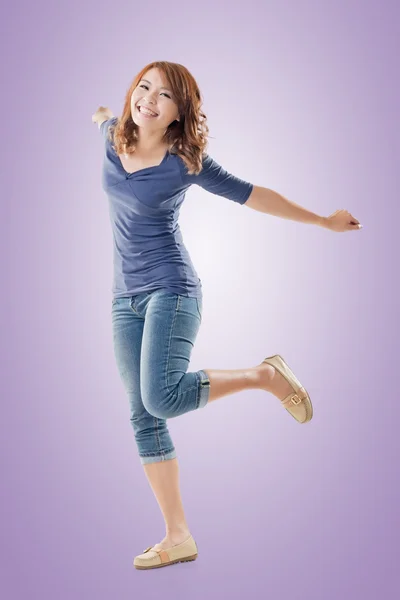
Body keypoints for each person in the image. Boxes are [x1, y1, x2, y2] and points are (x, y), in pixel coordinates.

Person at [92, 61, 362, 570]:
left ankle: (265, 375)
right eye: (143, 88)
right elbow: (105, 117)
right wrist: (102, 114)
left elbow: (254, 194)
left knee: (162, 397)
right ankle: (178, 537)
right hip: (122, 300)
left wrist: (324, 221)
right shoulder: (112, 138)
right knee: (143, 415)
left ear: (179, 114)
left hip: (172, 290)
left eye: (164, 95)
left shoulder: (183, 162)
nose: (148, 99)